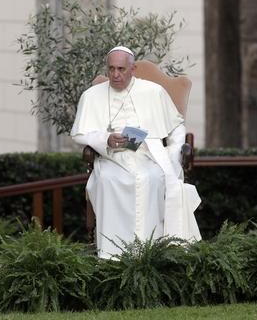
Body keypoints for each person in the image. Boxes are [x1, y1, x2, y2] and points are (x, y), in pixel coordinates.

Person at [71, 46, 201, 258]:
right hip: (110, 158)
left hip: (147, 155)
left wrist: (173, 151)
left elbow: (176, 125)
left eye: (121, 69)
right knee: (108, 181)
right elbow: (79, 135)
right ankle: (112, 255)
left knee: (150, 178)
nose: (115, 75)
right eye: (111, 69)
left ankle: (149, 252)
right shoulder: (92, 96)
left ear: (133, 68)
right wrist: (105, 139)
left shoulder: (153, 92)